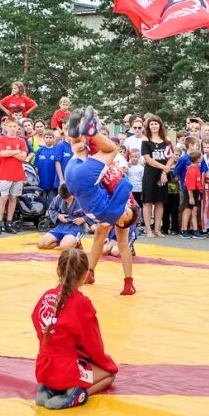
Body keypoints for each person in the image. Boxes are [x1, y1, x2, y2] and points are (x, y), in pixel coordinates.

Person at [31, 247, 118, 410]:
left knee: (68, 355)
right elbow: (93, 344)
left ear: (58, 271)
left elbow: (39, 326)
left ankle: (46, 387)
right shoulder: (82, 303)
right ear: (85, 275)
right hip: (66, 370)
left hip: (43, 367)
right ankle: (77, 395)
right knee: (109, 376)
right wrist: (106, 364)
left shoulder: (46, 296)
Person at [64, 108, 137, 295]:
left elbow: (124, 245)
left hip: (89, 180)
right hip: (88, 179)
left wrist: (128, 282)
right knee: (79, 147)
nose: (123, 214)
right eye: (125, 213)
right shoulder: (122, 201)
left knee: (118, 240)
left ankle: (125, 279)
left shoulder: (119, 208)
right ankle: (90, 272)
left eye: (122, 218)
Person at [140, 115, 173, 239]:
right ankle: (148, 229)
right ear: (148, 126)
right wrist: (163, 167)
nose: (154, 126)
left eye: (156, 124)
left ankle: (157, 229)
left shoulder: (167, 140)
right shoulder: (145, 139)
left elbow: (171, 157)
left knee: (160, 202)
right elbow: (147, 159)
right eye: (152, 124)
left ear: (160, 125)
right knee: (147, 202)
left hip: (162, 175)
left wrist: (165, 171)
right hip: (150, 174)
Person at [38, 185, 87, 250]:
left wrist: (84, 219)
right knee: (41, 244)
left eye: (69, 199)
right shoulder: (59, 197)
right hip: (61, 226)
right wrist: (58, 215)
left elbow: (94, 212)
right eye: (65, 199)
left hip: (75, 227)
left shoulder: (81, 198)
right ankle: (60, 241)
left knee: (65, 247)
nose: (67, 201)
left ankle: (76, 242)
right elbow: (51, 209)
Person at [181, 145, 205, 239]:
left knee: (194, 211)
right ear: (198, 159)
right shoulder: (191, 169)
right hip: (190, 192)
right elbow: (190, 185)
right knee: (187, 210)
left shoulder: (196, 168)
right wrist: (191, 197)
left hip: (195, 192)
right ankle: (184, 229)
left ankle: (195, 230)